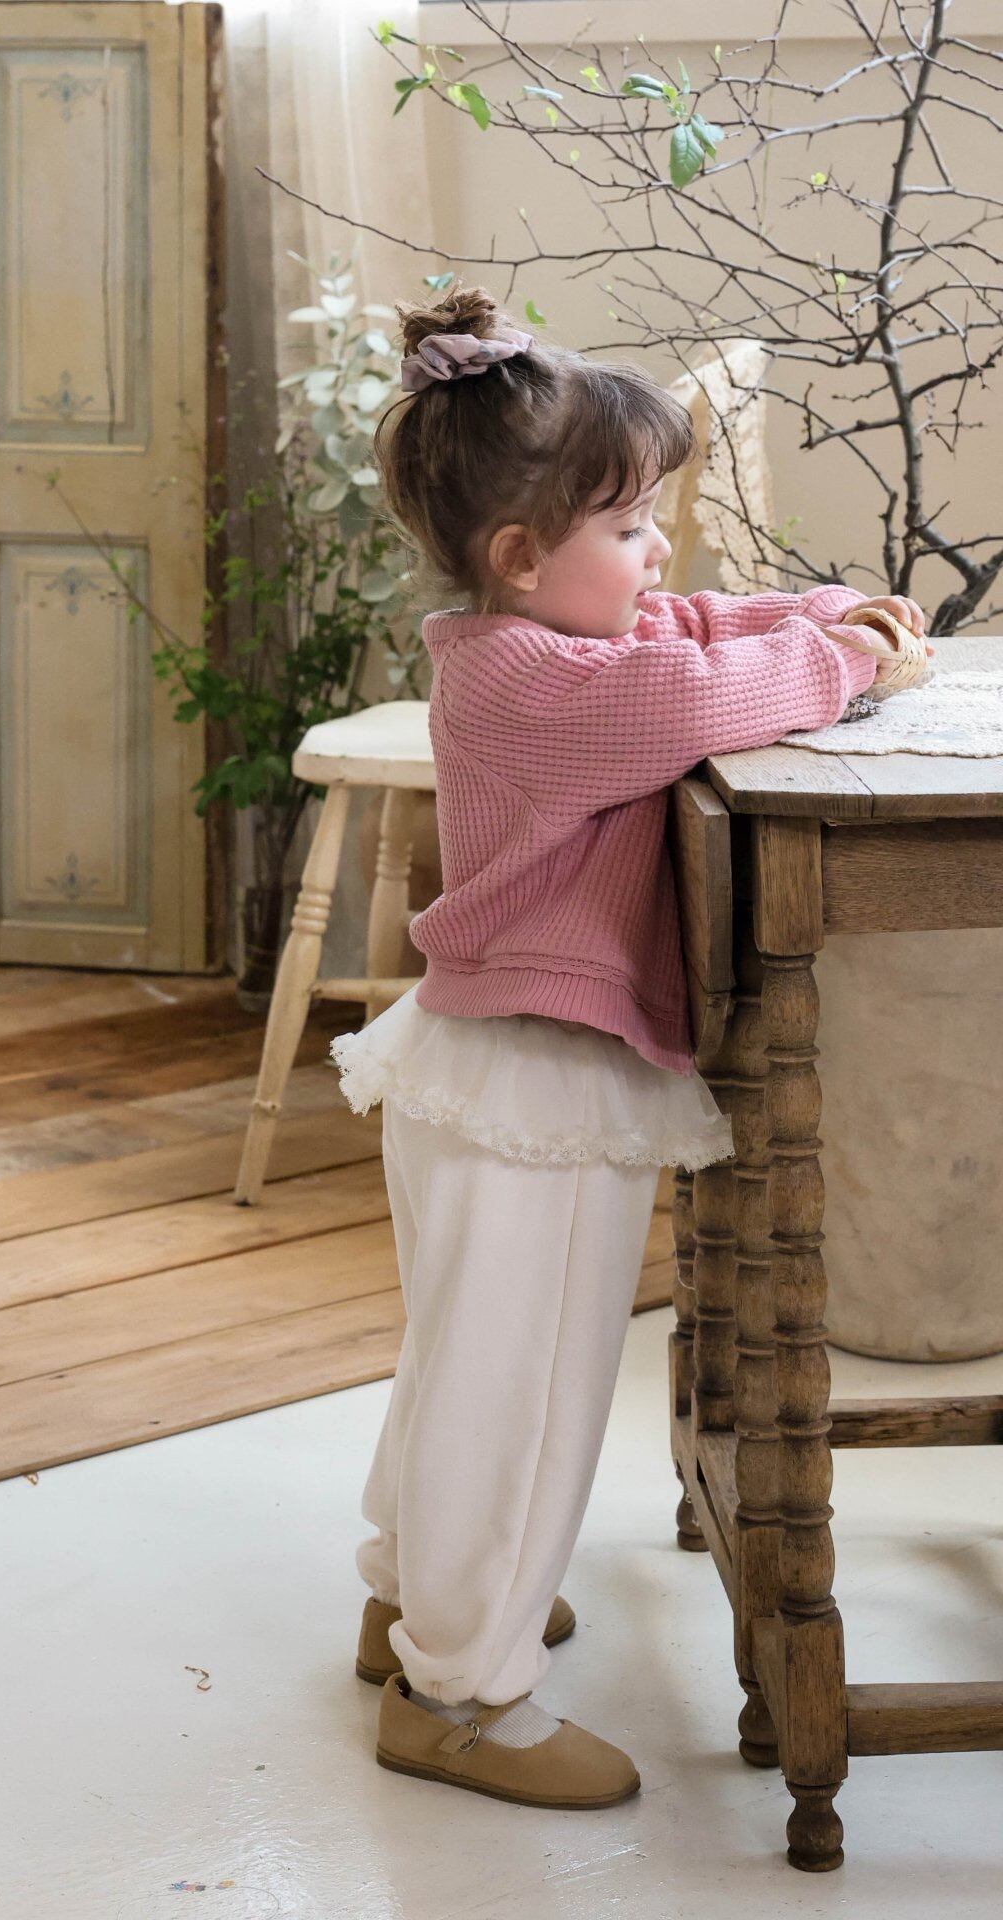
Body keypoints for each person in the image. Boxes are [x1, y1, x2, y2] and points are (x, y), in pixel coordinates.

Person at [328, 281, 931, 1811]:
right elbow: (696, 688)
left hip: (499, 1070)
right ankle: (461, 1694)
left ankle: (414, 1604)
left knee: (465, 1358)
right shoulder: (535, 686)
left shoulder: (546, 638)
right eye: (630, 523)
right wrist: (843, 659)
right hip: (534, 1082)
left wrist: (824, 612)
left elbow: (695, 628)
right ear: (520, 557)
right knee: (523, 1391)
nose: (660, 551)